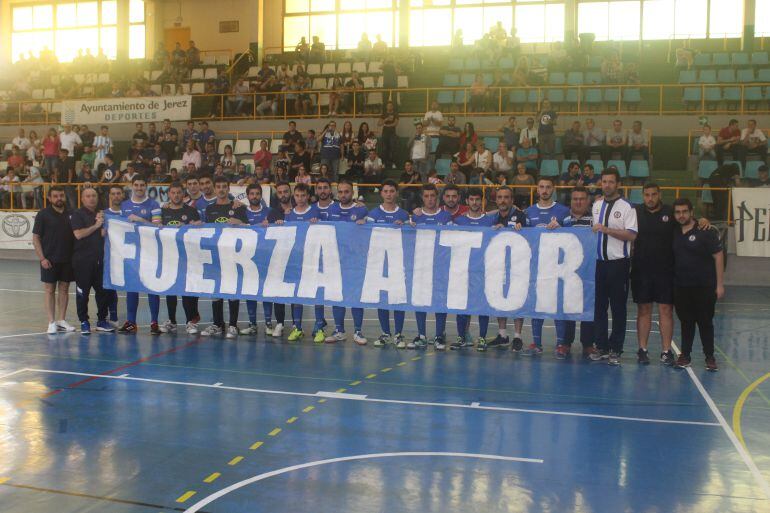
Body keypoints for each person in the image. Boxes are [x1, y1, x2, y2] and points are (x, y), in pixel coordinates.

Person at [590, 168, 638, 365]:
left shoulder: (627, 207)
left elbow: (632, 235)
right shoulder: (596, 205)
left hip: (618, 264)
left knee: (618, 308)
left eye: (611, 182)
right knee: (598, 308)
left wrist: (607, 230)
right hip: (599, 264)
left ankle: (616, 349)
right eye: (604, 181)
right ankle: (601, 346)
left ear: (617, 184)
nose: (607, 185)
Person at [672, 198, 723, 372]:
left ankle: (709, 356)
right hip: (681, 287)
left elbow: (718, 256)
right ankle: (685, 355)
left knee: (705, 322)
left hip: (704, 287)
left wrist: (720, 285)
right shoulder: (673, 231)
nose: (681, 215)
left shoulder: (705, 230)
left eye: (684, 211)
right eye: (678, 212)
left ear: (691, 212)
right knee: (686, 323)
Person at [524, 177, 570, 357]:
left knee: (558, 305)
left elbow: (574, 238)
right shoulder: (529, 212)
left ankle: (560, 344)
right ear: (537, 189)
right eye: (541, 187)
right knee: (537, 304)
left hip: (558, 266)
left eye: (548, 187)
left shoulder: (563, 211)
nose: (544, 190)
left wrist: (562, 228)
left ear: (554, 189)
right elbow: (525, 239)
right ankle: (536, 343)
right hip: (536, 266)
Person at [361, 180, 409, 348]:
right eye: (386, 191)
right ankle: (385, 333)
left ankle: (398, 334)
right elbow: (367, 237)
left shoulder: (403, 214)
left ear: (396, 193)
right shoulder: (373, 214)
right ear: (381, 193)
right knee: (382, 297)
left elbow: (409, 239)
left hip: (397, 263)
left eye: (392, 191)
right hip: (379, 263)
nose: (389, 194)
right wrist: (362, 225)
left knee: (397, 298)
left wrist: (405, 226)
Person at [200, 177, 248, 338]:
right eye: (218, 186)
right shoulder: (209, 209)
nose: (221, 189)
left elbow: (250, 230)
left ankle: (233, 325)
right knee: (216, 289)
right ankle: (217, 324)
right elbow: (205, 231)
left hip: (233, 254)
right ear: (214, 189)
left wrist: (239, 223)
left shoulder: (239, 207)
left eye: (224, 187)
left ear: (228, 189)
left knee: (232, 288)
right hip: (215, 255)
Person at [326, 179, 370, 345]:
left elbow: (370, 228)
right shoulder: (332, 209)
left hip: (355, 260)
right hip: (336, 259)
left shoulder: (361, 209)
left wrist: (365, 222)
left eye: (347, 192)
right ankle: (339, 330)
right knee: (337, 294)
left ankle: (358, 331)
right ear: (337, 194)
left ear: (353, 193)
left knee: (355, 295)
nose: (344, 195)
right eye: (341, 192)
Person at [117, 176, 162, 334]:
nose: (139, 187)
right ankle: (131, 322)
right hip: (131, 253)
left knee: (152, 287)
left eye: (142, 185)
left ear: (146, 186)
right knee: (132, 287)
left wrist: (140, 220)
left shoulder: (154, 205)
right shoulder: (124, 205)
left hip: (150, 252)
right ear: (131, 186)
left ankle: (154, 322)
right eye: (136, 185)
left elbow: (158, 227)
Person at [410, 184, 453, 350]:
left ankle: (439, 335)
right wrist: (409, 222)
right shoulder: (415, 217)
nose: (429, 199)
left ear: (437, 197)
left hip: (440, 266)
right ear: (422, 197)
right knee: (420, 299)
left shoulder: (445, 217)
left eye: (432, 196)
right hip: (420, 265)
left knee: (439, 300)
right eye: (426, 196)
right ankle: (421, 335)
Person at [452, 188, 496, 350]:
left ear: (482, 201)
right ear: (467, 201)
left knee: (482, 305)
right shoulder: (459, 221)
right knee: (462, 304)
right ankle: (461, 336)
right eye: (472, 199)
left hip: (483, 271)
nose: (475, 203)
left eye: (478, 199)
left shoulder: (490, 221)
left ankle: (482, 338)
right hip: (463, 271)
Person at [485, 186, 527, 352]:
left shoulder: (521, 216)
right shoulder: (492, 218)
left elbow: (531, 236)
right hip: (498, 265)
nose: (503, 200)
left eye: (506, 197)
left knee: (517, 298)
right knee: (498, 298)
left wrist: (520, 229)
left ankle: (517, 336)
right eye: (500, 197)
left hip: (517, 265)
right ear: (496, 200)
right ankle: (502, 335)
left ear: (512, 200)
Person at [240, 184, 284, 337]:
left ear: (261, 196)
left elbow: (282, 227)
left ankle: (268, 323)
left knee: (266, 291)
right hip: (247, 258)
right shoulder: (242, 212)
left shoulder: (270, 212)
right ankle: (252, 324)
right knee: (250, 291)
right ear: (247, 196)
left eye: (257, 194)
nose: (254, 196)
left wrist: (274, 224)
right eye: (251, 194)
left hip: (266, 258)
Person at [68, 186, 113, 334]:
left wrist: (103, 226)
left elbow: (102, 234)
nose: (91, 198)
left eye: (93, 195)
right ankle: (84, 321)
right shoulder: (77, 214)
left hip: (99, 261)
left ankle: (101, 320)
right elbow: (78, 234)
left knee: (102, 292)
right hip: (82, 261)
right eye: (88, 196)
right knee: (83, 293)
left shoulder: (100, 214)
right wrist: (96, 225)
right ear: (82, 199)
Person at [159, 182, 202, 335]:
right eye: (173, 193)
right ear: (169, 194)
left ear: (183, 194)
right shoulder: (162, 212)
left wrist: (190, 226)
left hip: (188, 257)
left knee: (188, 289)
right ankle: (172, 320)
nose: (176, 195)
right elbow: (154, 229)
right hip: (170, 256)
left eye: (179, 192)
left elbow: (198, 231)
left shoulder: (191, 211)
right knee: (171, 289)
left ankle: (191, 320)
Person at [280, 183, 321, 342]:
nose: (300, 199)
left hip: (312, 259)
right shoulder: (288, 214)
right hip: (295, 260)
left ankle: (319, 327)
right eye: (297, 195)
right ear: (293, 196)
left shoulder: (315, 212)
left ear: (308, 196)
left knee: (316, 293)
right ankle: (297, 327)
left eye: (303, 195)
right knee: (296, 294)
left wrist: (317, 223)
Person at [32, 186, 76, 334]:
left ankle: (61, 320)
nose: (59, 199)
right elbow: (36, 238)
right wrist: (42, 258)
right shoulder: (43, 214)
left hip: (68, 259)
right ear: (49, 198)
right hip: (49, 259)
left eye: (61, 195)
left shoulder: (71, 213)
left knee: (64, 289)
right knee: (49, 290)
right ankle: (51, 322)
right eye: (55, 196)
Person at [561, 187, 598, 359]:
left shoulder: (595, 220)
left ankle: (588, 344)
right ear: (571, 201)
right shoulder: (563, 220)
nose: (578, 202)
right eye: (575, 199)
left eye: (582, 199)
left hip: (590, 270)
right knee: (568, 308)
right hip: (569, 271)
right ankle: (566, 343)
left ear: (588, 201)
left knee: (588, 307)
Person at [378, 101, 399, 168]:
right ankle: (384, 163)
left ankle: (393, 163)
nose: (389, 107)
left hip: (392, 134)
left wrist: (387, 125)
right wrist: (386, 119)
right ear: (386, 107)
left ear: (392, 107)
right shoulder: (383, 114)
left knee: (393, 149)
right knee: (384, 149)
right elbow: (379, 123)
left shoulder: (395, 114)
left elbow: (395, 124)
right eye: (388, 105)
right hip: (384, 134)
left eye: (391, 105)